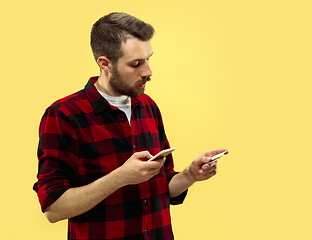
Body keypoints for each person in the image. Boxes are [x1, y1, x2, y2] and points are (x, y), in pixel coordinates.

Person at [33, 12, 228, 240]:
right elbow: (53, 208)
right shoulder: (64, 115)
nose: (148, 72)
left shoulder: (148, 107)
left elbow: (163, 185)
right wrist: (120, 177)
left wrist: (189, 175)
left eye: (148, 59)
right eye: (136, 64)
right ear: (105, 64)